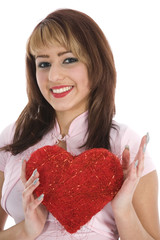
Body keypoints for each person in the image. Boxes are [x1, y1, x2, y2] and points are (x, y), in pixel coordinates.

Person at [0, 8, 159, 240]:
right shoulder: (13, 139)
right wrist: (25, 230)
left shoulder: (125, 144)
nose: (53, 76)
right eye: (44, 64)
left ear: (96, 64)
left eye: (69, 60)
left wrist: (123, 210)